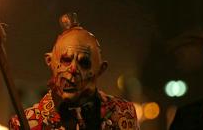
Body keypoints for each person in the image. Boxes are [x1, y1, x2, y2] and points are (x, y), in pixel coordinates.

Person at [9, 13, 139, 130]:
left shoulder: (123, 112)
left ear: (100, 69)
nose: (73, 69)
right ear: (50, 62)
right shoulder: (25, 124)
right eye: (66, 60)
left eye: (84, 63)